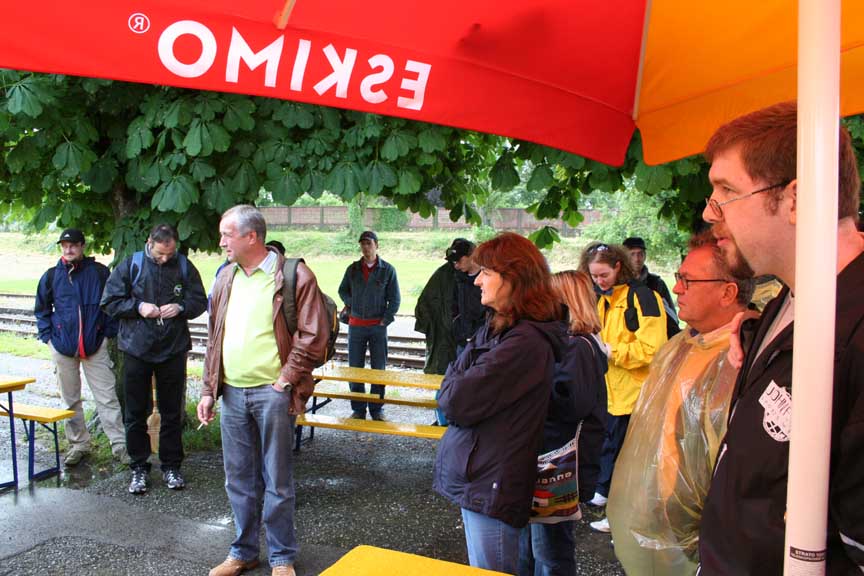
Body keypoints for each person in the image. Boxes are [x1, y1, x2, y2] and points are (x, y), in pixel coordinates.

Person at [698, 101, 864, 574]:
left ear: (797, 200)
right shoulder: (786, 303)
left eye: (726, 190)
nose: (710, 212)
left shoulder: (854, 332)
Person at [606, 232, 754, 575]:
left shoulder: (742, 357)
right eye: (678, 277)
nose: (676, 289)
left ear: (728, 292)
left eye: (688, 280)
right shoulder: (682, 344)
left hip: (704, 537)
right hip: (658, 516)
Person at [198, 205, 329, 576]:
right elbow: (214, 338)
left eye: (227, 235)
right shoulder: (225, 276)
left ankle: (282, 557)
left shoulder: (294, 275)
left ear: (251, 236)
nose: (221, 242)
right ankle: (243, 551)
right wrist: (208, 389)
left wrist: (286, 379)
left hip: (272, 393)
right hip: (231, 393)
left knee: (277, 480)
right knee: (238, 479)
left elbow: (314, 335)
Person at [433, 232, 564, 575]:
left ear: (514, 279)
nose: (477, 280)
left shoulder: (524, 342)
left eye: (486, 273)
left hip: (492, 481)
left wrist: (456, 379)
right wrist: (456, 379)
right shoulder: (499, 328)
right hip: (482, 475)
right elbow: (454, 384)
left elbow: (454, 400)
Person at [101, 224, 207, 495]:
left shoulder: (183, 265)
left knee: (172, 412)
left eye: (170, 253)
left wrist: (181, 307)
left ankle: (172, 466)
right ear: (150, 242)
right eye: (160, 254)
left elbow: (200, 301)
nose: (165, 258)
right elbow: (109, 301)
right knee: (136, 412)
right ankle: (138, 467)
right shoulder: (132, 265)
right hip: (136, 348)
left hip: (173, 348)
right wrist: (138, 307)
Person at [518, 270, 608, 576]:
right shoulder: (579, 343)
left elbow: (570, 405)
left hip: (558, 465)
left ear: (566, 301)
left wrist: (529, 389)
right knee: (537, 547)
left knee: (551, 551)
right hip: (555, 462)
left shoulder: (577, 347)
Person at [580, 242, 668, 532]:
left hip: (636, 393)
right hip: (611, 391)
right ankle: (610, 500)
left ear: (619, 266)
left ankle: (622, 517)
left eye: (603, 275)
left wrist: (612, 352)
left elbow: (654, 349)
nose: (599, 281)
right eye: (594, 276)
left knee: (629, 459)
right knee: (612, 449)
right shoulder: (603, 299)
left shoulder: (644, 297)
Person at [34, 228, 127, 466]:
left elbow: (112, 305)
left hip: (95, 346)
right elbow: (41, 310)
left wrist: (107, 335)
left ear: (82, 246)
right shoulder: (51, 276)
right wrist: (49, 339)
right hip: (63, 347)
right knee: (70, 400)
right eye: (65, 246)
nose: (69, 249)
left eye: (73, 245)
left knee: (107, 397)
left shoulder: (99, 273)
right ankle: (79, 445)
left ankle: (119, 445)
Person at [337, 230, 400, 421]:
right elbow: (342, 290)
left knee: (378, 369)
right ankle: (358, 409)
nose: (365, 247)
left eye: (369, 243)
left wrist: (385, 320)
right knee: (355, 368)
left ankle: (376, 409)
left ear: (376, 245)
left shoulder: (387, 270)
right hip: (355, 326)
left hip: (377, 328)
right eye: (363, 244)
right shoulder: (352, 269)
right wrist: (352, 303)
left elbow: (395, 299)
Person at [623, 236, 681, 338]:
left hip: (654, 337)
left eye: (640, 254)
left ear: (645, 256)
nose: (637, 259)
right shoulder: (617, 284)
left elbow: (671, 316)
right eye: (632, 254)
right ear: (624, 257)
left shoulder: (656, 283)